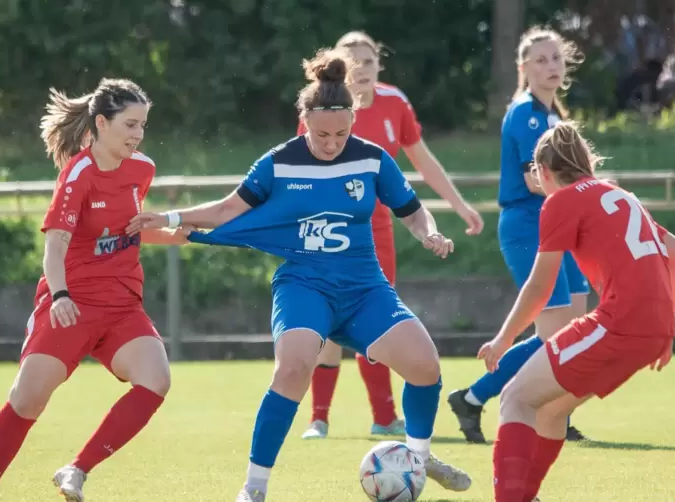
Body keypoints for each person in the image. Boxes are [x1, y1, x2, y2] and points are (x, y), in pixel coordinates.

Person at [127, 48, 473, 502]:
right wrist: (171, 216)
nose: (332, 143)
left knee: (426, 366)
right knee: (292, 369)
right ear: (304, 119)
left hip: (364, 287)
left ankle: (417, 457)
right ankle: (254, 487)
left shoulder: (371, 159)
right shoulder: (278, 162)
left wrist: (430, 233)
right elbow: (229, 209)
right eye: (322, 133)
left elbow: (412, 212)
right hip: (304, 284)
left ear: (354, 119)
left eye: (342, 133)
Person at [0, 78, 192, 502]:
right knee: (27, 401)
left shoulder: (143, 168)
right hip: (73, 301)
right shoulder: (77, 175)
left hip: (122, 303)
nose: (138, 135)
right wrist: (61, 296)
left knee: (155, 380)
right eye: (130, 125)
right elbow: (55, 247)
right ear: (101, 123)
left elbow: (125, 233)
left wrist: (176, 234)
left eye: (143, 125)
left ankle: (76, 470)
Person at [480, 120, 675, 502]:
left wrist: (503, 339)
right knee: (548, 412)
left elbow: (539, 286)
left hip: (619, 325)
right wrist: (667, 329)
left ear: (544, 172)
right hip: (652, 330)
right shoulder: (619, 195)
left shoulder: (560, 202)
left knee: (514, 398)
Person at [298, 30, 484, 440]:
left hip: (377, 233)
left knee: (374, 321)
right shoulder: (322, 107)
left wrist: (458, 205)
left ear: (379, 64)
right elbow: (300, 172)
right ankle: (319, 419)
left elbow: (424, 161)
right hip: (329, 231)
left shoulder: (394, 103)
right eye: (353, 59)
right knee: (328, 325)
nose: (362, 67)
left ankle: (384, 417)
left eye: (369, 60)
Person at [447, 26, 590, 444]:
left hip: (558, 224)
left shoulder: (553, 115)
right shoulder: (526, 113)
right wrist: (591, 186)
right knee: (555, 334)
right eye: (541, 60)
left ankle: (546, 407)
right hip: (529, 225)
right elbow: (535, 181)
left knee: (574, 328)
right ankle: (479, 399)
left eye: (557, 59)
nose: (551, 66)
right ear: (523, 68)